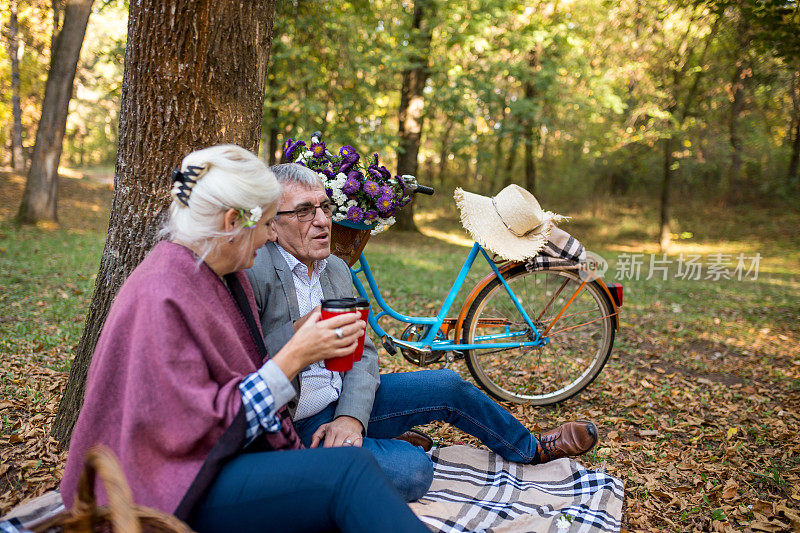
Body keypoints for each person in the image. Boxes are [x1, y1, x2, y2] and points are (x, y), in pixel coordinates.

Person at [59, 145, 429, 533]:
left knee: (353, 469)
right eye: (268, 223)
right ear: (234, 221)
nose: (270, 236)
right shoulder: (163, 291)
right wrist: (295, 354)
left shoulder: (215, 273)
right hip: (161, 485)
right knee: (348, 472)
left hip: (212, 456)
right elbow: (187, 430)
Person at [246, 163, 600, 501]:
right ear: (272, 225)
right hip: (297, 423)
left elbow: (363, 353)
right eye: (305, 211)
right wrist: (300, 336)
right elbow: (241, 362)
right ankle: (388, 443)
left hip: (340, 401)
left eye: (325, 206)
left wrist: (351, 418)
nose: (323, 221)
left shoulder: (335, 268)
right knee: (413, 471)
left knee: (447, 384)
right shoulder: (256, 271)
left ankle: (530, 448)